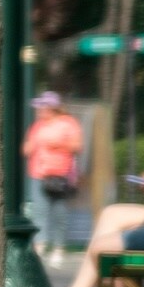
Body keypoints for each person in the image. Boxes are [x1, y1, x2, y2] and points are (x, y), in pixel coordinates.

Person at [22, 92, 83, 259]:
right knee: (39, 211)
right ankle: (40, 245)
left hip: (60, 175)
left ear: (52, 108)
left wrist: (59, 144)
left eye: (42, 107)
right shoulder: (38, 126)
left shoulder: (68, 123)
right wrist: (29, 147)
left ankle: (58, 247)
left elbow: (77, 146)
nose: (39, 111)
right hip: (38, 173)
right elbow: (27, 147)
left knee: (59, 211)